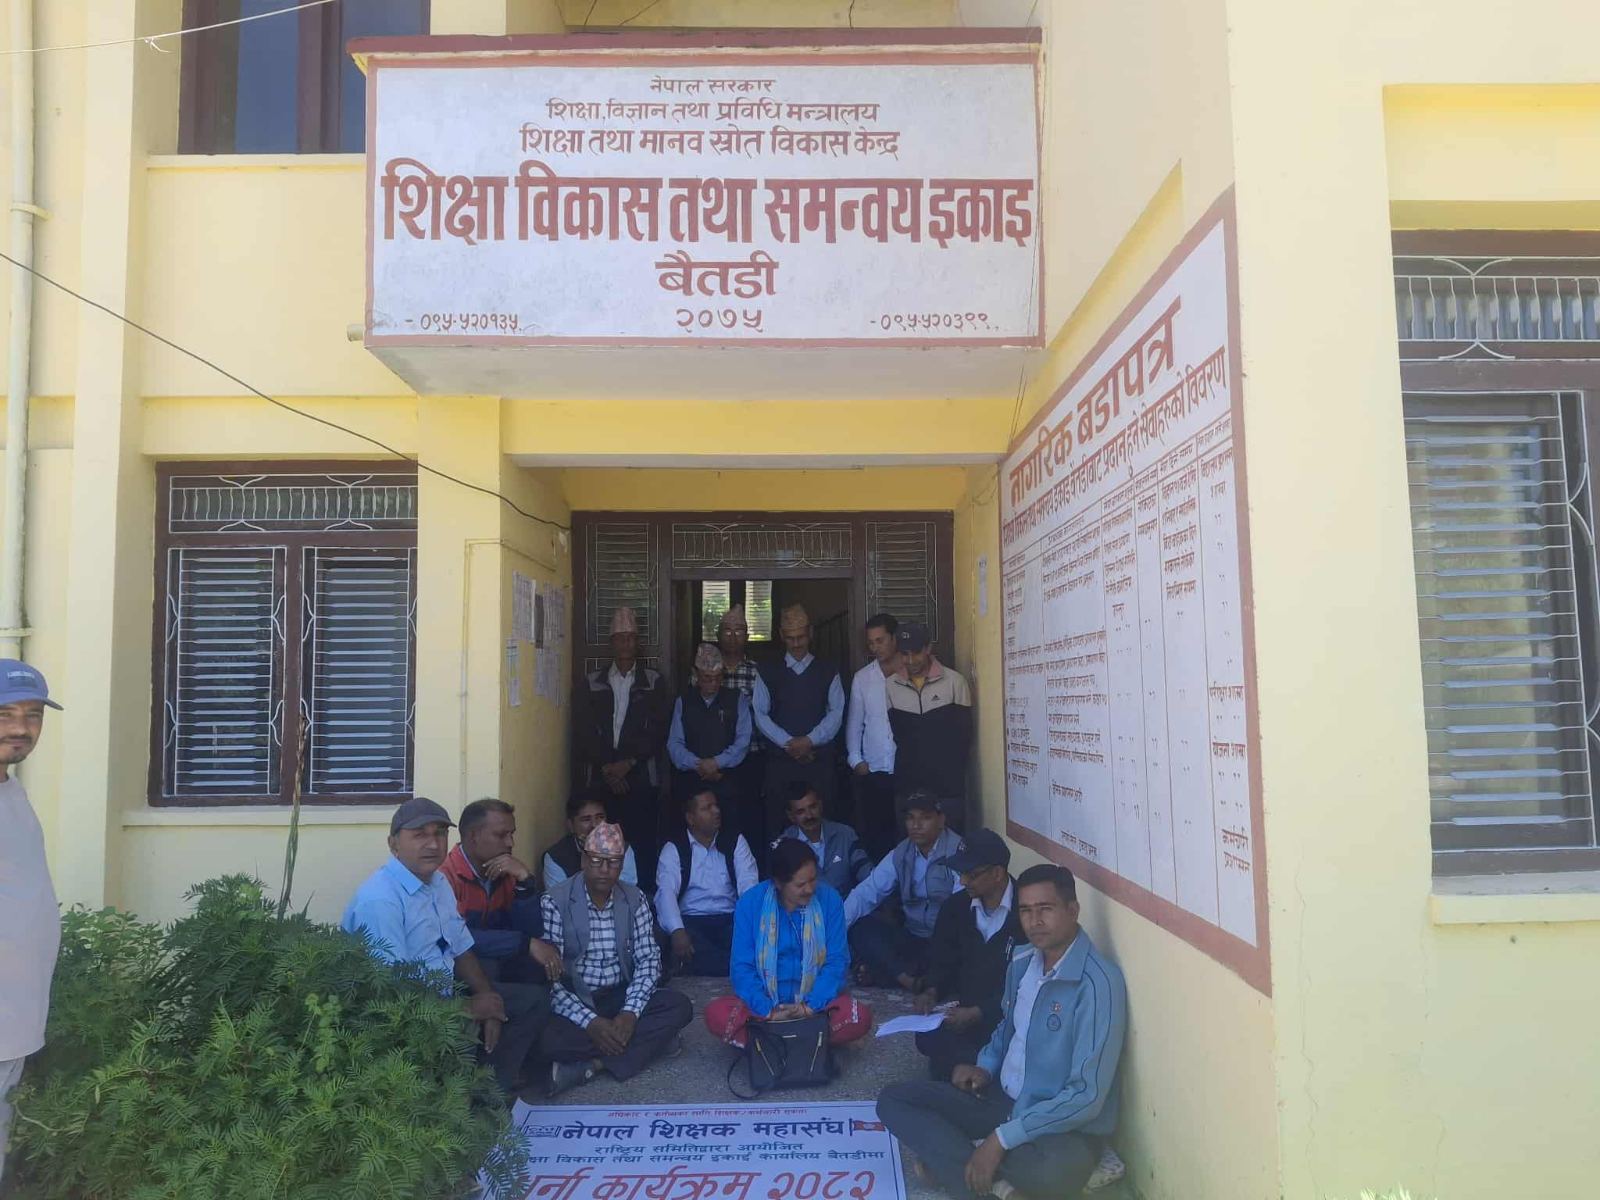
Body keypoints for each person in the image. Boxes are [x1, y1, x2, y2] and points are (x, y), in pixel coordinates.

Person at [877, 864, 1127, 1200]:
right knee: (893, 1100)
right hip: (1001, 1100)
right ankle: (997, 1184)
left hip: (1055, 1126)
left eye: (1045, 909)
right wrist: (985, 1066)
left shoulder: (1097, 984)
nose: (1034, 921)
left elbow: (1086, 1096)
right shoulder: (1023, 961)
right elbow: (1006, 1029)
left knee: (1054, 1171)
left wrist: (1000, 1139)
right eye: (1025, 910)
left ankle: (960, 1161)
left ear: (1073, 910)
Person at [342, 797, 551, 1092]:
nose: (433, 844)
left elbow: (460, 946)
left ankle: (489, 1095)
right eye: (419, 835)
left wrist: (486, 998)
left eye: (440, 833)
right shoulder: (381, 900)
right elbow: (390, 991)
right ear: (393, 844)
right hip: (403, 1014)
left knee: (532, 1000)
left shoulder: (437, 883)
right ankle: (461, 1102)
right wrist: (466, 1008)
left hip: (443, 991)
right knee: (462, 1030)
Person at [538, 821, 693, 1096]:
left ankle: (593, 1065)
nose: (604, 869)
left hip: (620, 995)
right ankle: (648, 1045)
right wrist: (591, 1022)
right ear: (583, 860)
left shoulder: (634, 898)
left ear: (622, 866)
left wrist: (630, 1013)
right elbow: (552, 982)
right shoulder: (555, 901)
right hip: (577, 998)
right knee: (543, 1038)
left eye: (613, 862)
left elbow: (648, 960)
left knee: (679, 1007)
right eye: (597, 860)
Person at [704, 837, 872, 1049]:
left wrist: (810, 1007)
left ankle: (770, 1042)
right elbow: (742, 968)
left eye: (813, 880)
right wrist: (768, 1011)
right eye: (800, 884)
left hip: (816, 1008)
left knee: (858, 1016)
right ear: (778, 883)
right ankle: (807, 1040)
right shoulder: (750, 904)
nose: (810, 889)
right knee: (716, 1014)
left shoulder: (830, 900)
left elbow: (837, 961)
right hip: (765, 1012)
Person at [0, 661, 61, 1183]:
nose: (21, 727)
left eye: (33, 714)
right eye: (4, 713)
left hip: (14, 1020)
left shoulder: (11, 790)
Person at [911, 829, 1023, 1081]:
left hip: (1008, 1018)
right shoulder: (956, 907)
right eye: (960, 873)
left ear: (997, 873)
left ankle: (965, 1069)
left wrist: (980, 1012)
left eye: (971, 875)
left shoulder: (1025, 911)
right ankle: (974, 1069)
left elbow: (1027, 984)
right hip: (964, 1016)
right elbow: (942, 960)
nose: (962, 881)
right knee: (927, 1034)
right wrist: (931, 991)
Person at [573, 606, 669, 891]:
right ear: (611, 643)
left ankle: (643, 901)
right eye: (620, 638)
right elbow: (584, 729)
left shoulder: (654, 681)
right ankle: (602, 898)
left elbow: (658, 728)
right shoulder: (592, 682)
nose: (626, 644)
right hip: (600, 778)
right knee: (600, 844)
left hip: (640, 778)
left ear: (637, 642)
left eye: (630, 638)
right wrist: (608, 768)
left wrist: (628, 763)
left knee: (641, 845)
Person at [842, 791, 964, 991]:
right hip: (912, 936)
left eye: (925, 818)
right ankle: (906, 978)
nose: (916, 825)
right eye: (910, 818)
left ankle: (888, 974)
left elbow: (962, 907)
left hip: (944, 941)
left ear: (941, 820)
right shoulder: (900, 853)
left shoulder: (958, 851)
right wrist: (832, 933)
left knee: (955, 964)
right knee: (861, 927)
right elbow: (867, 892)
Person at [752, 603, 845, 836]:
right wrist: (790, 744)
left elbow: (836, 712)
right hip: (780, 766)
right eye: (790, 638)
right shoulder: (767, 670)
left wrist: (809, 741)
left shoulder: (828, 669)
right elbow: (760, 713)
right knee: (778, 829)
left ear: (810, 633)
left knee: (824, 828)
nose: (796, 644)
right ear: (781, 636)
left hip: (819, 764)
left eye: (800, 637)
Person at [440, 798, 552, 985]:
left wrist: (524, 882)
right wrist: (523, 943)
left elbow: (532, 931)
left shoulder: (507, 872)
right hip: (459, 970)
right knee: (490, 968)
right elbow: (456, 938)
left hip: (500, 960)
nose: (510, 843)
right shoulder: (445, 876)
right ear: (473, 836)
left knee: (543, 966)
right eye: (501, 835)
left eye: (512, 834)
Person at [655, 788, 759, 977]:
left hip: (730, 919)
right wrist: (677, 930)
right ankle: (734, 965)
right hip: (692, 921)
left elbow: (749, 886)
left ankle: (726, 964)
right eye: (707, 808)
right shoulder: (674, 847)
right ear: (690, 818)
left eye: (716, 806)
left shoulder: (735, 841)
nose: (716, 811)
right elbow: (666, 893)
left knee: (750, 942)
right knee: (692, 949)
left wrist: (751, 924)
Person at [667, 642, 755, 849]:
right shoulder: (684, 701)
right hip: (691, 783)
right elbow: (674, 743)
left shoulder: (737, 699)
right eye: (707, 678)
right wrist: (699, 765)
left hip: (727, 783)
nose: (713, 683)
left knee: (730, 841)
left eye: (717, 677)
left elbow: (743, 741)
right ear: (696, 675)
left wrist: (717, 763)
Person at [886, 622, 973, 831]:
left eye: (916, 653)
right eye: (904, 654)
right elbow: (899, 735)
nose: (910, 660)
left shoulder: (955, 682)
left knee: (951, 846)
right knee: (909, 847)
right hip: (907, 787)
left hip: (947, 790)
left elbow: (964, 739)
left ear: (928, 648)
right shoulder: (891, 685)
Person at [846, 612, 900, 860]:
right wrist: (856, 761)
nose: (875, 647)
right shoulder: (863, 678)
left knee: (907, 833)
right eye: (871, 643)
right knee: (877, 838)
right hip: (874, 771)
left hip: (905, 770)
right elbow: (855, 723)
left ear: (894, 639)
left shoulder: (909, 671)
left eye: (880, 641)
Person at [774, 779, 870, 900]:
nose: (809, 815)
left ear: (820, 805)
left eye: (812, 807)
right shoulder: (784, 847)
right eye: (800, 812)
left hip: (848, 907)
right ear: (791, 816)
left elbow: (867, 876)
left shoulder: (844, 834)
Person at [542, 788, 640, 888]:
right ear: (571, 825)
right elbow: (557, 896)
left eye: (600, 817)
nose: (594, 825)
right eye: (586, 819)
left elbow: (625, 891)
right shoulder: (555, 857)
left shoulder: (623, 849)